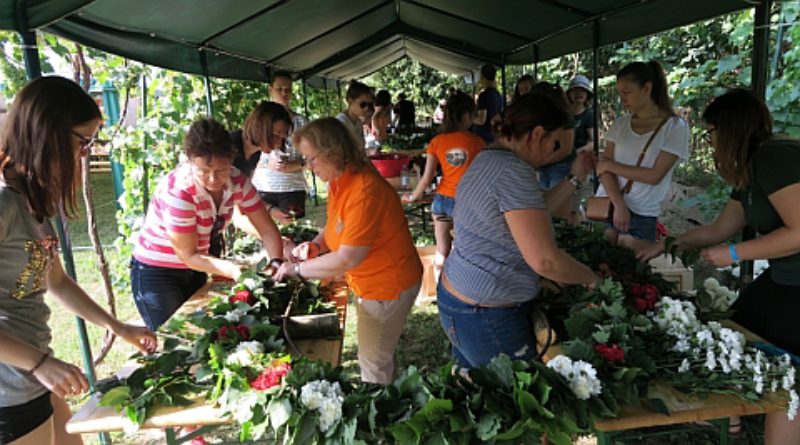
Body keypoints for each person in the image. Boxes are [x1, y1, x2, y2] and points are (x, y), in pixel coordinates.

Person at [0, 76, 157, 445]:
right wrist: (40, 363)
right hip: (11, 384)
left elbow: (57, 281)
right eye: (83, 140)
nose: (86, 152)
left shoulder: (33, 200)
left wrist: (118, 327)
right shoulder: (4, 204)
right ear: (48, 132)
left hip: (33, 371)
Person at [639, 88, 800, 445]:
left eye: (711, 134)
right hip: (785, 278)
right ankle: (735, 417)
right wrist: (665, 245)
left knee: (786, 370)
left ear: (730, 129)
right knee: (735, 326)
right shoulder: (751, 168)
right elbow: (719, 229)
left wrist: (735, 253)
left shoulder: (775, 158)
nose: (709, 144)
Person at [438, 94, 599, 369]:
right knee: (516, 400)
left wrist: (574, 177)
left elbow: (536, 212)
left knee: (476, 388)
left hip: (461, 298)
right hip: (486, 312)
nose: (555, 155)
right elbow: (545, 261)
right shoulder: (512, 172)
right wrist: (592, 280)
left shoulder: (491, 158)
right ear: (537, 134)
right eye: (556, 144)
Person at [275, 118, 422, 384]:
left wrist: (295, 269)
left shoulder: (364, 189)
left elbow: (347, 257)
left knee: (373, 366)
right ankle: (393, 402)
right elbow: (336, 225)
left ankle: (383, 418)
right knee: (380, 354)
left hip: (386, 287)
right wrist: (318, 245)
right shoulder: (340, 180)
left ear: (333, 151)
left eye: (312, 159)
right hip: (375, 284)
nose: (308, 167)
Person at [131, 118, 283, 331]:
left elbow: (266, 228)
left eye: (221, 170)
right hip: (158, 274)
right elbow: (188, 254)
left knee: (202, 332)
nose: (213, 179)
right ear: (189, 160)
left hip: (195, 268)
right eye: (203, 170)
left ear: (231, 159)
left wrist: (276, 262)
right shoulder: (179, 191)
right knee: (175, 338)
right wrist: (234, 270)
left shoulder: (237, 180)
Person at [595, 61, 689, 251]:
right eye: (620, 93)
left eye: (626, 92)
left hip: (642, 214)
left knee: (632, 276)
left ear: (647, 88)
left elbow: (654, 176)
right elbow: (602, 170)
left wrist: (610, 166)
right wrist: (619, 204)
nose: (622, 99)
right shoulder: (620, 124)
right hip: (607, 205)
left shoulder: (675, 127)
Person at [403, 91, 484, 271]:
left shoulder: (437, 142)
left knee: (442, 250)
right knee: (466, 251)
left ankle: (441, 292)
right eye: (472, 115)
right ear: (465, 116)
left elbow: (428, 176)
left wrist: (413, 197)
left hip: (442, 202)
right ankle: (461, 290)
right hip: (467, 204)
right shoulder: (478, 143)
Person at [251, 72, 308, 222]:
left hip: (292, 189)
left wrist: (295, 165)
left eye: (288, 90)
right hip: (263, 188)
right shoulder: (259, 122)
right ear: (270, 90)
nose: (284, 93)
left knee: (293, 233)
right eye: (280, 89)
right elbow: (248, 155)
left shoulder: (301, 122)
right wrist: (266, 163)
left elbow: (312, 158)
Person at [531, 81, 576, 194]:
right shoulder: (539, 118)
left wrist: (542, 162)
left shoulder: (564, 117)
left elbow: (566, 149)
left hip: (562, 167)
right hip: (544, 169)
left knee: (560, 205)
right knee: (548, 205)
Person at [336, 80, 373, 151]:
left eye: (369, 104)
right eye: (363, 104)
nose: (367, 108)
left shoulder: (358, 122)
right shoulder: (341, 123)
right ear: (350, 101)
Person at [472, 64, 504, 143]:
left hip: (483, 138)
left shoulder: (484, 95)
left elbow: (481, 120)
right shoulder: (499, 95)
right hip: (494, 136)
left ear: (482, 76)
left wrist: (470, 118)